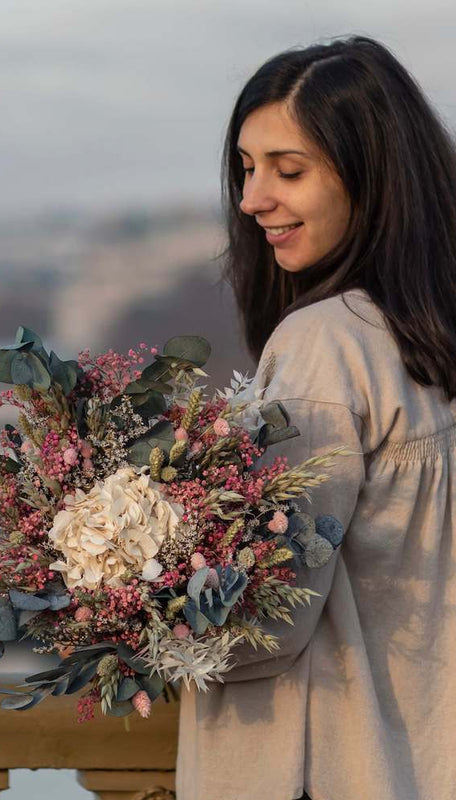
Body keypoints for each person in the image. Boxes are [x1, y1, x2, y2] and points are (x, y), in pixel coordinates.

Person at [176, 35, 456, 800]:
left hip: (324, 764)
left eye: (287, 170)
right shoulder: (427, 337)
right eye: (245, 167)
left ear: (373, 177)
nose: (251, 199)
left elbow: (268, 620)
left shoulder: (326, 346)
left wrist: (133, 594)